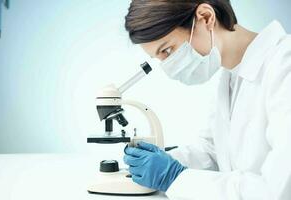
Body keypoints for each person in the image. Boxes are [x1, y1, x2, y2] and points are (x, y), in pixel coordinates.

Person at [122, 0, 291, 200]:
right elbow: (214, 154)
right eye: (160, 58)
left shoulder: (284, 67)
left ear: (206, 18)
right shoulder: (230, 77)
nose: (168, 68)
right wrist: (163, 161)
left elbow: (279, 190)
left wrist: (173, 177)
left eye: (167, 50)